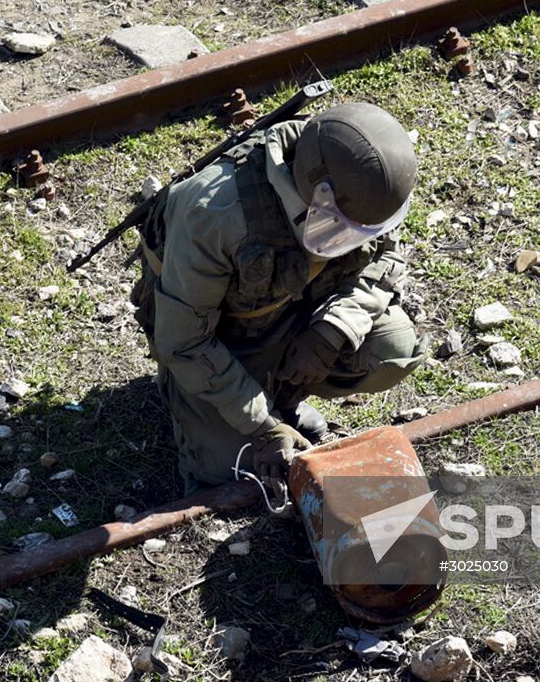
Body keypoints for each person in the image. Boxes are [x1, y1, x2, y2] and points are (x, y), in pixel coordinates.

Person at [131, 102, 428, 492]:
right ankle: (235, 407)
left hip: (292, 315)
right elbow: (184, 341)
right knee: (234, 471)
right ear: (315, 192)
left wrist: (332, 330)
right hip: (217, 342)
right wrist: (263, 427)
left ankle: (283, 395)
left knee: (393, 348)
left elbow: (386, 258)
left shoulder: (363, 190)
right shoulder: (214, 214)